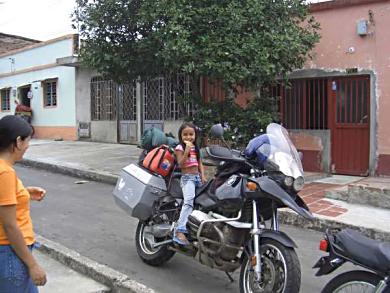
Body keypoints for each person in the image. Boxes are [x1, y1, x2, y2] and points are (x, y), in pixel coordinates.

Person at [0, 115, 47, 292]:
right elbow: (10, 226)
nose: (28, 146)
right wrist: (33, 265)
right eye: (28, 141)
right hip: (10, 253)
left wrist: (24, 193)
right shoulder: (5, 173)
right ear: (18, 142)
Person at [173, 122, 206, 245]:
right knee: (188, 201)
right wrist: (186, 151)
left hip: (197, 178)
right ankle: (179, 230)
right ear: (180, 136)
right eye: (185, 135)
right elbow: (180, 163)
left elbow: (199, 163)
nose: (188, 137)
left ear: (195, 135)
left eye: (191, 134)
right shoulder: (180, 148)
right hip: (187, 179)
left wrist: (202, 175)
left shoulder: (196, 148)